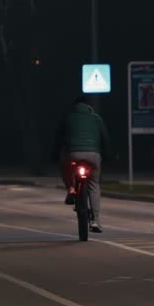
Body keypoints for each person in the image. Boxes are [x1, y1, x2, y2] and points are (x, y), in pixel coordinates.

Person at [52, 96, 113, 232]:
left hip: (73, 154)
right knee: (94, 184)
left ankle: (71, 189)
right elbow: (105, 138)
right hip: (93, 155)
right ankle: (95, 220)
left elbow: (59, 139)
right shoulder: (96, 118)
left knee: (66, 166)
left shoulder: (68, 118)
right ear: (89, 107)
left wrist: (54, 155)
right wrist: (108, 155)